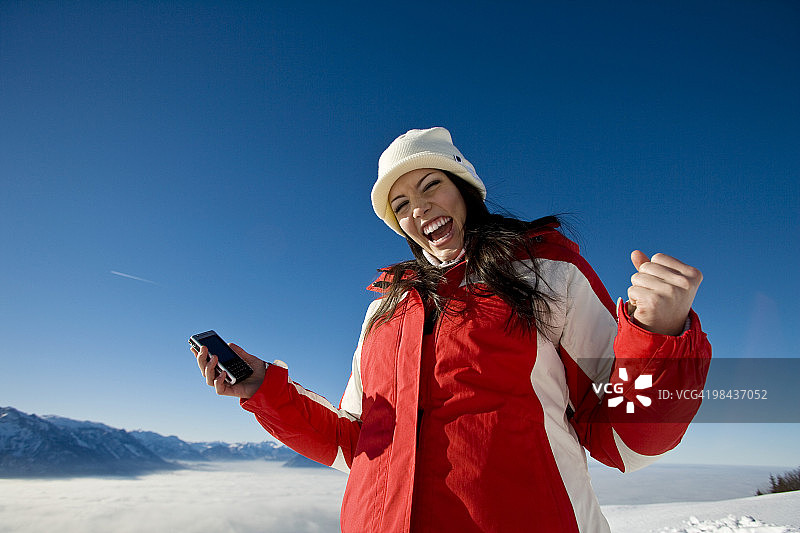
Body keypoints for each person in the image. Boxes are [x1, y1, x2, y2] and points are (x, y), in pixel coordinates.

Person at [192, 127, 712, 533]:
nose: (418, 209)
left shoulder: (545, 272)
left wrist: (659, 337)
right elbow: (355, 443)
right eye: (400, 205)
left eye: (430, 185)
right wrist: (263, 389)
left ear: (463, 188)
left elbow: (625, 439)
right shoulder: (384, 312)